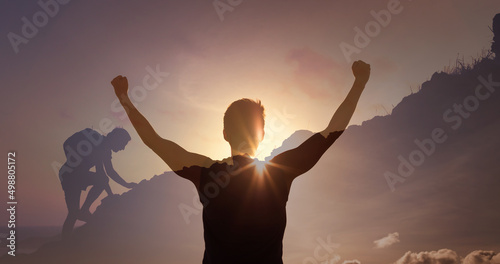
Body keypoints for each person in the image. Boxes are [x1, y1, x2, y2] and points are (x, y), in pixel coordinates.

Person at [111, 60, 370, 263]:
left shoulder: (205, 173)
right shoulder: (278, 172)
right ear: (262, 135)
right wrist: (360, 82)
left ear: (225, 134)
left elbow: (154, 141)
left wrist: (124, 99)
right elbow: (331, 132)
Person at [59, 127, 137, 240]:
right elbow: (102, 174)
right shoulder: (96, 141)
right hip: (69, 176)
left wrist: (126, 184)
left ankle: (84, 210)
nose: (123, 148)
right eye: (123, 144)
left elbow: (109, 172)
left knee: (73, 214)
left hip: (79, 176)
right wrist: (74, 159)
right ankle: (65, 243)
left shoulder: (105, 150)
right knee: (73, 214)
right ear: (116, 139)